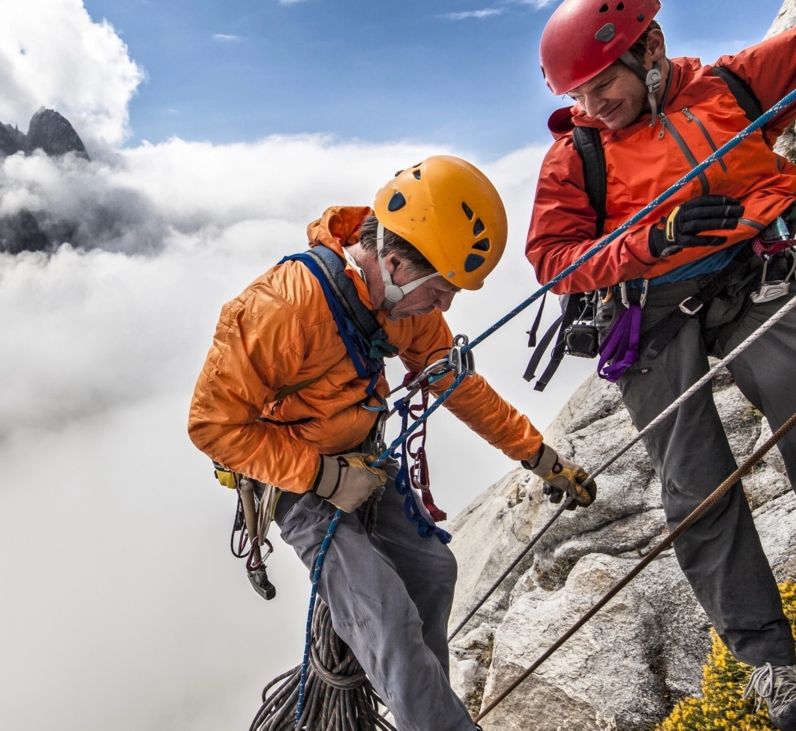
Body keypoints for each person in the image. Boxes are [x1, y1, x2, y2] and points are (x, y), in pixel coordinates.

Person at [529, 1, 796, 729]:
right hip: (644, 314)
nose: (593, 107)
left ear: (649, 49)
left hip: (749, 278)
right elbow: (556, 261)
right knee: (698, 482)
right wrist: (651, 237)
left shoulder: (732, 88)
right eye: (578, 96)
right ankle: (773, 669)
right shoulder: (578, 156)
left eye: (602, 85)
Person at [188, 156, 597, 731]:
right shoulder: (280, 309)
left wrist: (540, 457)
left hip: (365, 459)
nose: (445, 308)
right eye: (440, 291)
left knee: (434, 572)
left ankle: (419, 708)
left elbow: (456, 384)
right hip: (297, 480)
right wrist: (327, 480)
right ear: (396, 262)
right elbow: (213, 426)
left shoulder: (403, 302)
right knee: (386, 619)